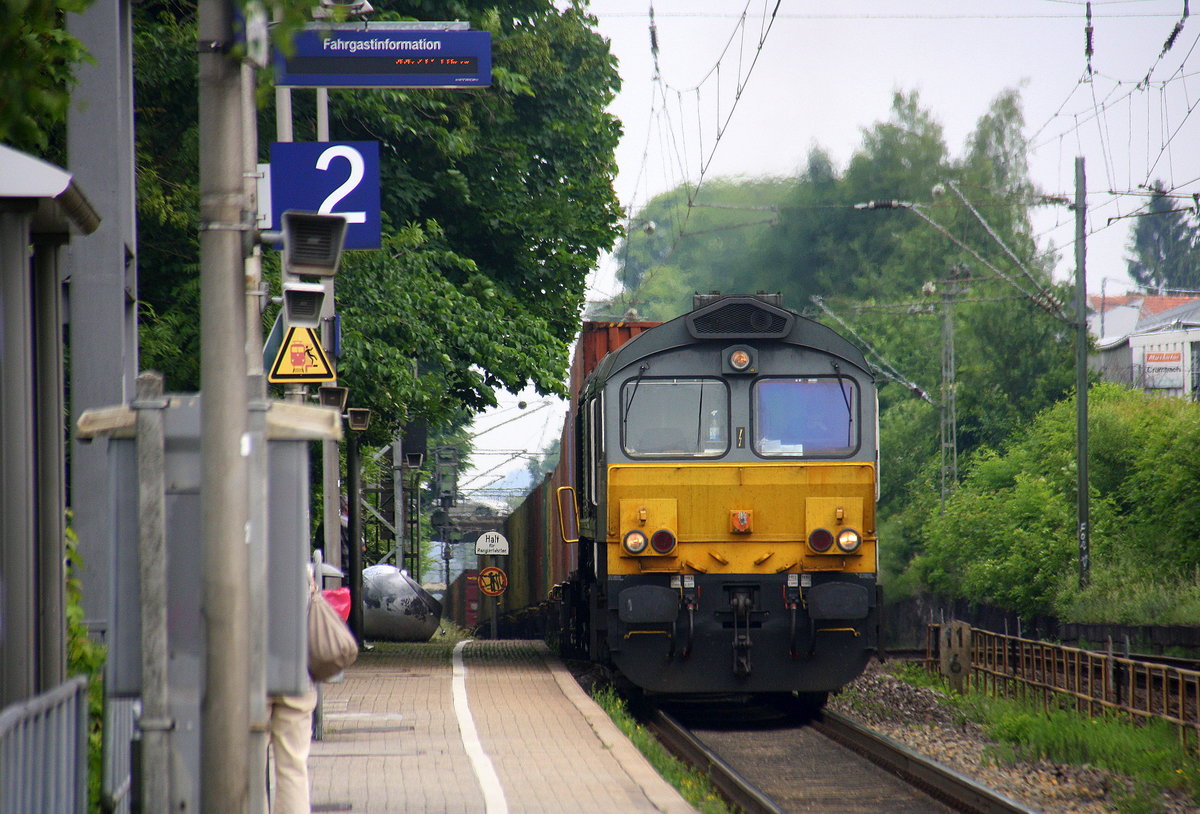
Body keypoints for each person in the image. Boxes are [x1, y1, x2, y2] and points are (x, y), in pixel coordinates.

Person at [265, 567, 319, 814]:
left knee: (246, 766)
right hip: (296, 676)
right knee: (293, 766)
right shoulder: (299, 568)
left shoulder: (233, 559)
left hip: (248, 677)